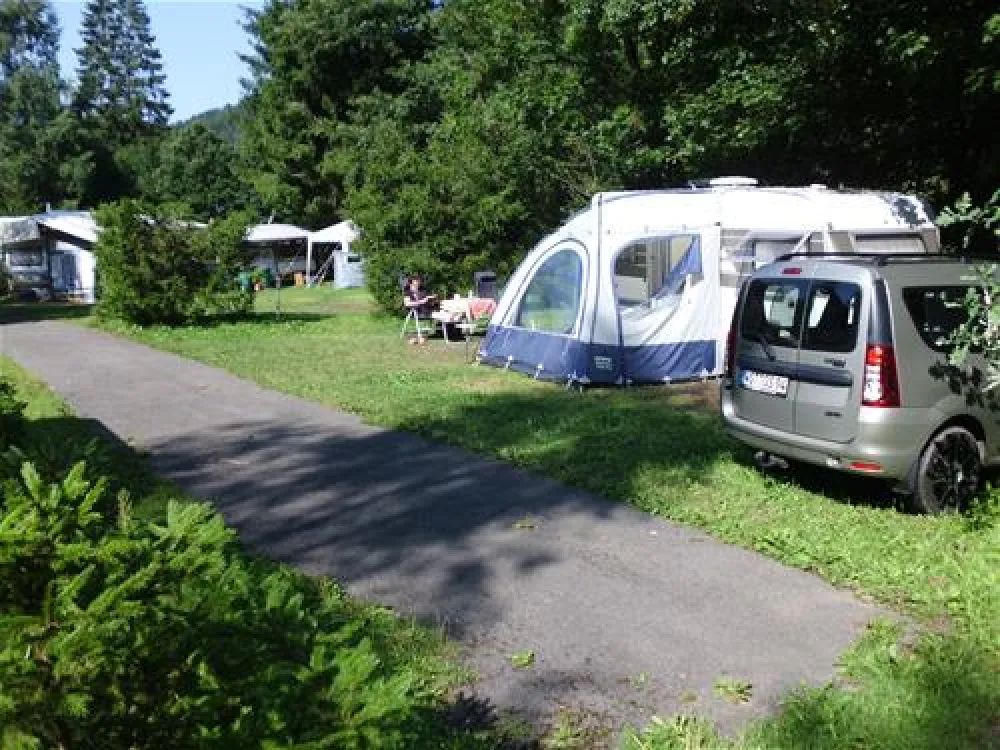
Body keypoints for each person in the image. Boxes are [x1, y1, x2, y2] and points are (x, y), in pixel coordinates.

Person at [403, 275, 437, 344]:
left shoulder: (422, 290)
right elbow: (407, 304)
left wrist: (431, 297)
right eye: (416, 282)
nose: (418, 283)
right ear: (411, 283)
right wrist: (421, 301)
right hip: (417, 311)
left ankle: (450, 330)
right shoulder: (408, 292)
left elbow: (426, 298)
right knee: (440, 315)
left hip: (428, 309)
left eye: (419, 282)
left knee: (443, 310)